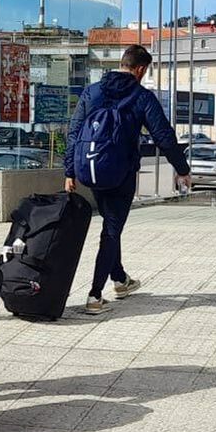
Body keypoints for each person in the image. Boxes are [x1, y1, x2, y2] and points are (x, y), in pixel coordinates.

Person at [64, 45, 190, 316]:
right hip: (121, 173)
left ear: (122, 63)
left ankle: (120, 279)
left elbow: (73, 132)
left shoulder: (92, 91)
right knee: (111, 229)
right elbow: (163, 135)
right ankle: (95, 295)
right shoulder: (141, 96)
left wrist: (69, 172)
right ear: (141, 69)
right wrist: (182, 169)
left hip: (91, 170)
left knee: (111, 223)